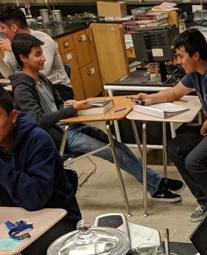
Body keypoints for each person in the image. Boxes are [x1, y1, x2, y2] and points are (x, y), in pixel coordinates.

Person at [11, 33, 184, 203]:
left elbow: (57, 104)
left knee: (118, 145)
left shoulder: (41, 78)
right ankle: (156, 186)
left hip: (69, 126)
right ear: (23, 58)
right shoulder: (22, 87)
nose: (44, 58)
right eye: (37, 54)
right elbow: (39, 120)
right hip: (59, 135)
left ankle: (154, 180)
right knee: (113, 152)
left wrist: (67, 104)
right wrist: (70, 109)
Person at [134, 28, 207, 222]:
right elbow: (174, 93)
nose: (178, 61)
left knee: (194, 161)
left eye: (181, 56)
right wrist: (150, 98)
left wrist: (205, 127)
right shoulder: (197, 70)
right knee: (174, 148)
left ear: (195, 55)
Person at [0, 87, 80, 255]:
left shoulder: (37, 139)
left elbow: (34, 198)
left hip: (56, 216)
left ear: (13, 116)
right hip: (15, 220)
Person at [0, 4, 73, 100]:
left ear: (13, 27)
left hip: (57, 88)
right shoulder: (12, 42)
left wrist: (13, 50)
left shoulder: (43, 40)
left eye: (2, 27)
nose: (1, 31)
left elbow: (42, 72)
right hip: (33, 88)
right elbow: (10, 75)